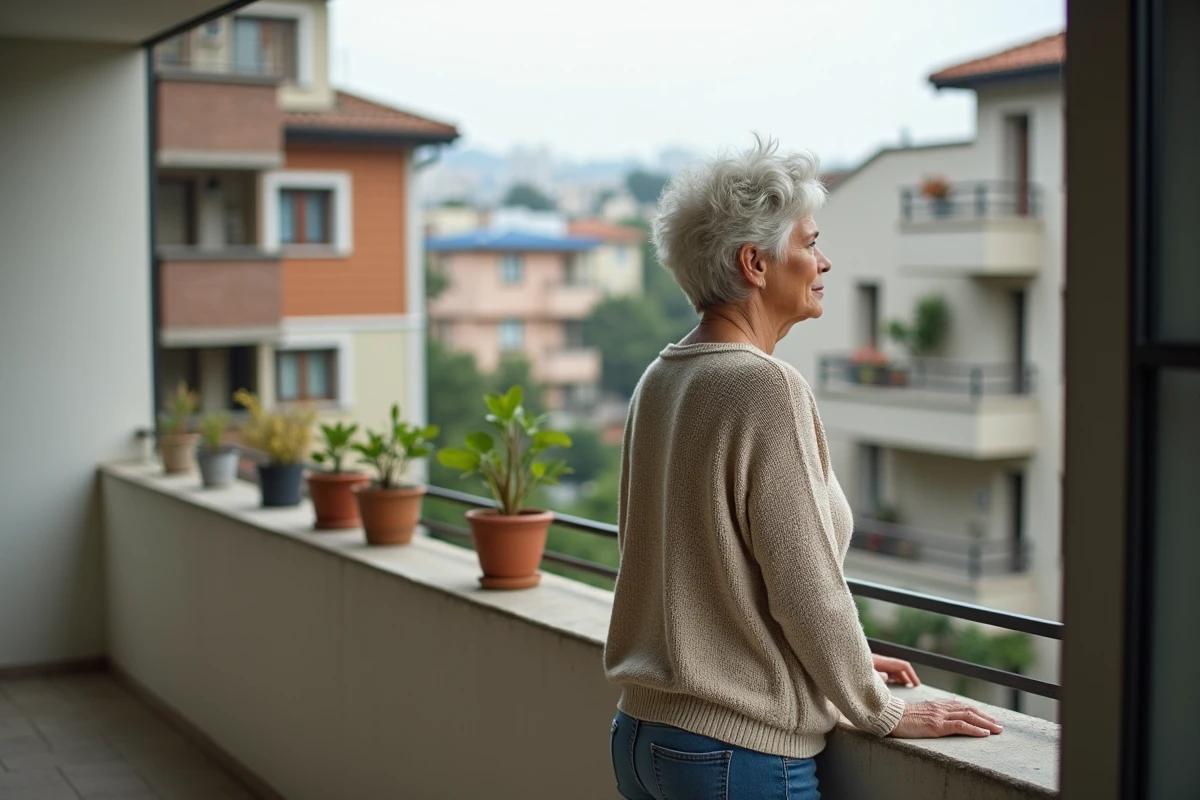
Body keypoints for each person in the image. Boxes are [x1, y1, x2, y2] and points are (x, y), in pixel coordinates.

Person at [603, 137, 1003, 800]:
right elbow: (805, 585)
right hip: (734, 752)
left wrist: (827, 664)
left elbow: (698, 570)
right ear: (755, 264)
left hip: (644, 739)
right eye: (809, 242)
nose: (823, 261)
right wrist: (882, 709)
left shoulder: (662, 377)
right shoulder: (765, 387)